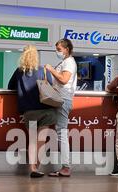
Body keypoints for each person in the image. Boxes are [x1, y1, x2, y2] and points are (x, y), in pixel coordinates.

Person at [8, 45, 57, 178]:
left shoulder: (19, 72)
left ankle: (32, 168)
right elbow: (51, 87)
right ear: (36, 56)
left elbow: (10, 86)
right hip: (46, 110)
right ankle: (37, 167)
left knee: (33, 140)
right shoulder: (43, 71)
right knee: (41, 140)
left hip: (30, 111)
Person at [44, 39, 77, 177]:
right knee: (60, 132)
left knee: (62, 133)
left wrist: (51, 69)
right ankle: (65, 166)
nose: (57, 52)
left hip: (63, 100)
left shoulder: (69, 62)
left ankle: (66, 167)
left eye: (59, 49)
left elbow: (64, 79)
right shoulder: (65, 62)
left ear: (67, 49)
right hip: (61, 99)